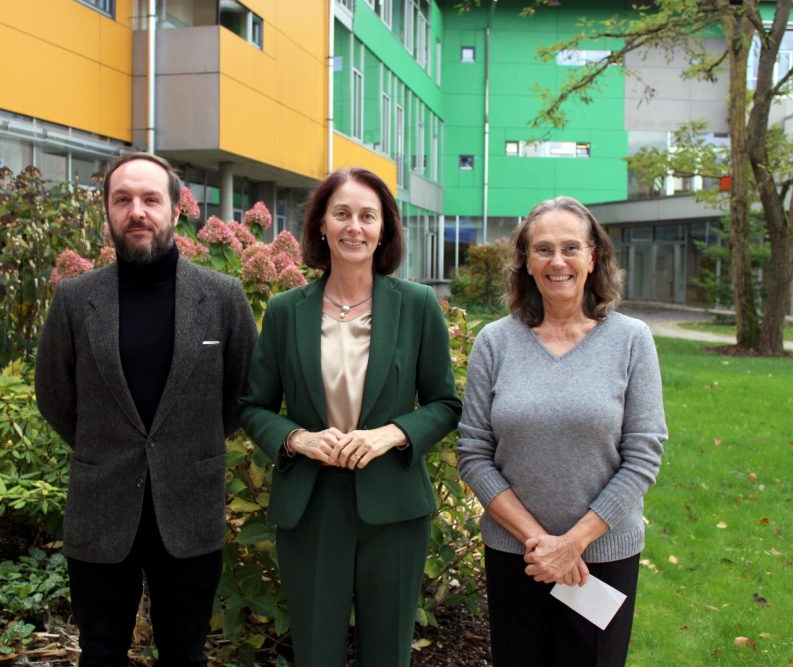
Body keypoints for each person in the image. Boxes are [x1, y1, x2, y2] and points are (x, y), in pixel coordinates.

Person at [35, 152, 258, 666]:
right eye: (123, 200)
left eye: (150, 199)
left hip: (190, 504)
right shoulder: (74, 299)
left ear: (176, 211)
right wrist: (104, 445)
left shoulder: (222, 296)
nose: (137, 210)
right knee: (100, 652)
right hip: (101, 506)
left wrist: (189, 444)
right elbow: (54, 395)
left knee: (185, 654)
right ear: (108, 212)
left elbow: (242, 393)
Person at [239, 167, 461, 666]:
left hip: (394, 507)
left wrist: (392, 434)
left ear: (384, 229)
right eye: (341, 214)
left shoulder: (419, 306)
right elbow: (253, 406)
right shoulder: (284, 310)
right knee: (316, 652)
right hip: (311, 506)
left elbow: (446, 404)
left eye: (367, 215)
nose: (353, 227)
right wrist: (296, 438)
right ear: (322, 224)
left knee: (387, 653)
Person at [457, 196, 667, 667]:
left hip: (602, 556)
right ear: (526, 263)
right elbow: (472, 452)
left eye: (571, 248)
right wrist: (542, 543)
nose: (558, 262)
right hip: (517, 555)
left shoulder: (631, 340)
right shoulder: (495, 342)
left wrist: (574, 543)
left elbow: (643, 454)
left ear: (594, 258)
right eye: (543, 249)